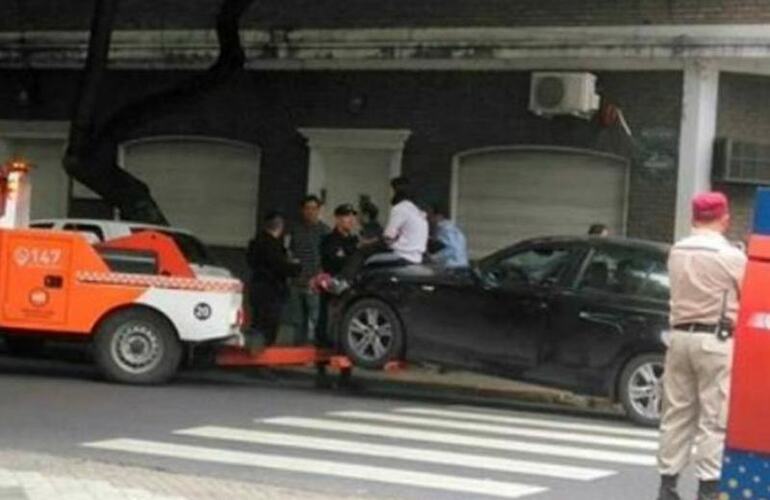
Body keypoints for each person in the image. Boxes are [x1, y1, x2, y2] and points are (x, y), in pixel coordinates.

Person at [656, 192, 747, 500]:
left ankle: (667, 486)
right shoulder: (731, 256)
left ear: (694, 217)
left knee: (677, 412)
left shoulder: (676, 252)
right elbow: (747, 294)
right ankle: (708, 489)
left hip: (678, 337)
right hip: (715, 340)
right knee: (713, 416)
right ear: (724, 218)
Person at [334, 176, 428, 286]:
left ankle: (341, 282)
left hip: (402, 255)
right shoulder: (417, 211)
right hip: (416, 256)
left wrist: (367, 243)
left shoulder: (400, 209)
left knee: (362, 252)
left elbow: (387, 238)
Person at [246, 212, 301, 347]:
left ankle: (253, 350)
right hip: (272, 290)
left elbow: (251, 261)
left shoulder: (255, 242)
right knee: (269, 325)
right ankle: (263, 354)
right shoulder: (274, 246)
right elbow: (280, 266)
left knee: (257, 322)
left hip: (257, 286)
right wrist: (296, 267)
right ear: (280, 227)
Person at [287, 195, 330, 345]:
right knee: (297, 320)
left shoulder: (325, 231)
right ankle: (298, 350)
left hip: (315, 282)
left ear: (319, 210)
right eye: (307, 208)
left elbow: (328, 257)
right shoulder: (295, 229)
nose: (310, 212)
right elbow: (290, 251)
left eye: (314, 208)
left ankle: (315, 351)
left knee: (315, 318)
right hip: (297, 279)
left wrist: (320, 277)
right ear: (302, 210)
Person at [315, 203, 361, 346]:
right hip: (333, 288)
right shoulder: (329, 240)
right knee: (328, 323)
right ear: (338, 219)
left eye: (353, 217)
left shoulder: (355, 241)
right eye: (347, 216)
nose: (351, 220)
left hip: (352, 289)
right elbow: (333, 262)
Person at [426, 203, 469, 268]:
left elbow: (452, 249)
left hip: (454, 266)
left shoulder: (447, 229)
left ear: (439, 216)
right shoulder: (451, 228)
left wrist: (435, 257)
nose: (429, 219)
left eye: (431, 216)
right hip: (458, 265)